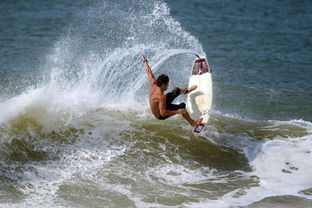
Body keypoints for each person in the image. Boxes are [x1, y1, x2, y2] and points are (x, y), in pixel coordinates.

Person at [140, 54, 203, 126]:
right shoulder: (161, 96)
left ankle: (187, 91)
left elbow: (148, 71)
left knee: (176, 90)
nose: (168, 85)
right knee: (182, 106)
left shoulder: (154, 83)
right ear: (163, 84)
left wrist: (144, 60)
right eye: (167, 84)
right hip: (160, 115)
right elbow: (163, 113)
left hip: (161, 105)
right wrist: (178, 111)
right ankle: (192, 122)